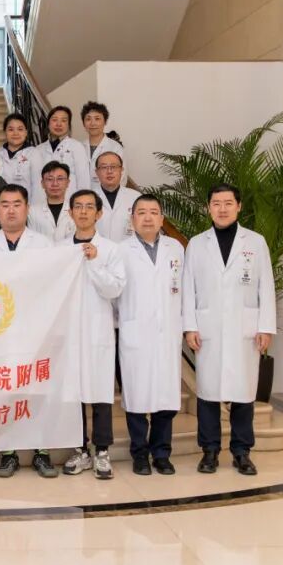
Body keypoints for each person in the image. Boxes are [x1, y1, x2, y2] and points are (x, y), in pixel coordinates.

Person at [182, 183, 276, 477]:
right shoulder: (197, 243)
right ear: (208, 208)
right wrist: (189, 326)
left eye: (227, 203)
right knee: (208, 392)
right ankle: (209, 451)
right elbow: (188, 288)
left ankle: (241, 452)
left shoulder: (256, 242)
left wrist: (265, 327)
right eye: (216, 203)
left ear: (239, 206)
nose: (222, 209)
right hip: (207, 328)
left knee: (243, 393)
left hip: (244, 329)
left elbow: (267, 286)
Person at [0, 185, 57, 478]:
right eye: (5, 205)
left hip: (34, 329)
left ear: (27, 209)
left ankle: (41, 451)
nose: (11, 210)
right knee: (5, 391)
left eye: (17, 204)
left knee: (36, 389)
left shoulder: (45, 245)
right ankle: (8, 451)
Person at [59, 190, 127, 480]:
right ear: (70, 213)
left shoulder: (110, 249)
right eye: (78, 206)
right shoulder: (60, 249)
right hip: (68, 332)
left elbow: (115, 289)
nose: (83, 212)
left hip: (98, 329)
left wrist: (95, 262)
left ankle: (101, 450)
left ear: (99, 214)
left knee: (100, 392)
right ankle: (79, 449)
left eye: (89, 207)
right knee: (73, 393)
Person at [117, 194, 184, 476]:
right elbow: (113, 294)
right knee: (136, 398)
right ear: (132, 218)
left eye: (153, 212)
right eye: (141, 212)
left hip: (167, 332)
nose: (148, 217)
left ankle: (161, 453)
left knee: (166, 398)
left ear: (162, 219)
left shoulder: (176, 249)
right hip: (135, 332)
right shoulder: (121, 250)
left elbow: (184, 290)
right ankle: (140, 454)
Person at [30, 105, 90, 204]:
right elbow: (34, 182)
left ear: (69, 125)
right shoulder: (38, 150)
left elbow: (83, 180)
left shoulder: (77, 147)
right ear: (48, 124)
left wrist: (82, 204)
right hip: (42, 204)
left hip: (69, 203)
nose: (58, 124)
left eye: (63, 120)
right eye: (54, 120)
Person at [92, 151, 140, 242]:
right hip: (97, 249)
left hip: (128, 249)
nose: (109, 171)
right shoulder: (87, 198)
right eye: (104, 167)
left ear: (121, 170)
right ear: (97, 172)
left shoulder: (136, 198)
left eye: (113, 167)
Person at [28, 161, 76, 242]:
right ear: (42, 183)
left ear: (68, 182)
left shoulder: (76, 210)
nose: (55, 184)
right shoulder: (32, 212)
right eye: (50, 179)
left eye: (60, 179)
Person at [81, 101, 127, 180]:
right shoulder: (78, 147)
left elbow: (121, 178)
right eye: (88, 119)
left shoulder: (116, 148)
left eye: (97, 119)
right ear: (83, 123)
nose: (93, 123)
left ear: (105, 122)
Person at [0, 113, 35, 192]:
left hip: (26, 199)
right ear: (5, 132)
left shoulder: (34, 153)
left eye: (20, 129)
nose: (15, 133)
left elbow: (38, 185)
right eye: (11, 129)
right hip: (1, 198)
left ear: (26, 132)